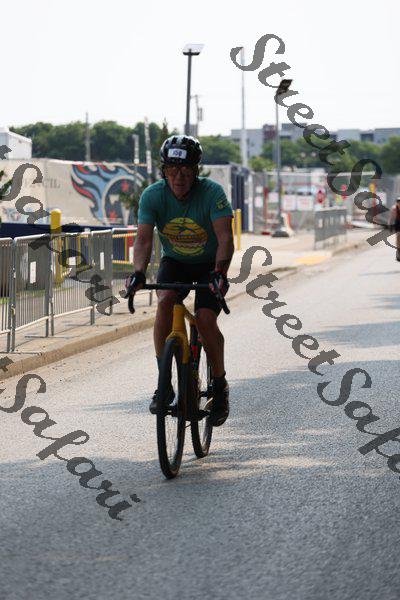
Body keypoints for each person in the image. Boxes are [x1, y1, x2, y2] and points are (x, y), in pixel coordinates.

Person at [126, 135, 234, 426]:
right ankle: (164, 383)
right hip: (175, 262)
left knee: (205, 319)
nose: (179, 177)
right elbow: (143, 240)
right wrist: (138, 272)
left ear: (196, 171)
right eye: (172, 170)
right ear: (163, 171)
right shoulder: (152, 195)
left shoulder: (212, 193)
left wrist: (220, 273)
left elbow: (225, 238)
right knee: (164, 303)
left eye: (186, 170)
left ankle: (220, 386)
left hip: (210, 265)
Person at [388, 197, 400, 261]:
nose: (399, 203)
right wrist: (390, 225)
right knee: (398, 237)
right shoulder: (394, 208)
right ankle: (398, 251)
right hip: (397, 224)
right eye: (398, 202)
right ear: (396, 203)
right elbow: (391, 218)